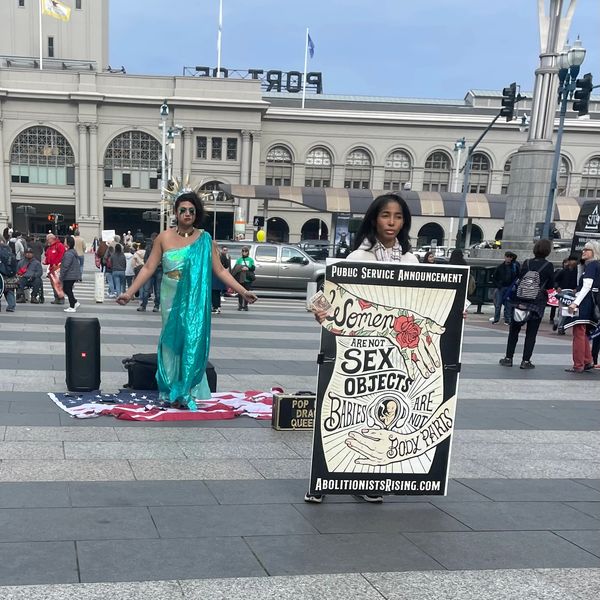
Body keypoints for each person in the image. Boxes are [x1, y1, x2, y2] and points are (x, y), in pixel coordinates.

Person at [305, 192, 418, 505]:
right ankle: (323, 477)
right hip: (355, 349)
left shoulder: (411, 261)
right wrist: (320, 311)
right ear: (374, 219)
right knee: (341, 409)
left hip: (392, 354)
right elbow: (328, 295)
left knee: (376, 415)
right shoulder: (358, 258)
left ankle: (365, 479)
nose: (392, 222)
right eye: (385, 215)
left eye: (398, 216)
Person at [116, 190, 257, 409]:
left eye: (191, 210)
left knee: (192, 340)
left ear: (196, 213)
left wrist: (242, 291)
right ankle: (170, 388)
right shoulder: (163, 238)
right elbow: (149, 268)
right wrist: (129, 292)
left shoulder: (205, 240)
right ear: (176, 212)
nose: (187, 214)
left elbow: (220, 270)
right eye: (183, 210)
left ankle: (187, 389)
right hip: (170, 295)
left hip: (194, 298)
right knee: (171, 343)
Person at [499, 239, 554, 370]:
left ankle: (508, 358)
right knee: (531, 333)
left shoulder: (527, 262)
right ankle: (525, 361)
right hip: (536, 303)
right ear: (548, 251)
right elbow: (550, 285)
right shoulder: (549, 265)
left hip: (520, 300)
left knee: (514, 331)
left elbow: (519, 278)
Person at [563, 241, 600, 373]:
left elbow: (586, 286)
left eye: (587, 249)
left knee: (579, 332)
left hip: (585, 302)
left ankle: (579, 363)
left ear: (594, 251)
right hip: (591, 302)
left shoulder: (591, 265)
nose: (583, 251)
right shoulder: (594, 265)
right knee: (583, 333)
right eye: (583, 249)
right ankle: (586, 360)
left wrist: (575, 303)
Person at [490, 251, 519, 324]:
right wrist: (498, 285)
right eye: (507, 257)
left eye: (510, 257)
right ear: (505, 257)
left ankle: (506, 319)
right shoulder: (501, 267)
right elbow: (494, 277)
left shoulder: (513, 267)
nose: (508, 258)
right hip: (502, 287)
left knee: (507, 305)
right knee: (499, 304)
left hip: (508, 287)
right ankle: (497, 319)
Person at [552, 254, 578, 334]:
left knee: (569, 311)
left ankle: (559, 323)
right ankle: (560, 327)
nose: (573, 262)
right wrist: (557, 287)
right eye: (571, 260)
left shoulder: (578, 272)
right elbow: (555, 280)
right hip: (563, 292)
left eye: (575, 260)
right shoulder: (563, 271)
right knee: (562, 310)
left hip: (573, 293)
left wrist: (577, 289)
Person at [138, 232, 162, 312]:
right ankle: (144, 305)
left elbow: (165, 259)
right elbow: (145, 259)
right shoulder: (149, 248)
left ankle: (156, 306)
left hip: (158, 270)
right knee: (147, 289)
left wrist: (158, 263)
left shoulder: (162, 248)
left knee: (157, 290)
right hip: (152, 270)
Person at [60, 236, 81, 313]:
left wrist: (61, 275)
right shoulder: (71, 252)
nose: (64, 242)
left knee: (67, 289)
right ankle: (74, 302)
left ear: (68, 244)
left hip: (69, 275)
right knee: (67, 289)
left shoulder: (68, 254)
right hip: (72, 274)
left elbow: (66, 265)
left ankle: (72, 306)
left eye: (65, 241)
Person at [44, 233, 66, 304]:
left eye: (48, 239)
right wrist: (46, 262)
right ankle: (56, 298)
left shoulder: (59, 246)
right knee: (54, 284)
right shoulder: (50, 247)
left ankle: (61, 298)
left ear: (51, 239)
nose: (47, 241)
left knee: (58, 284)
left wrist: (55, 263)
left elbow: (61, 256)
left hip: (57, 267)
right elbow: (48, 256)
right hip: (52, 268)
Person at [232, 247, 256, 311]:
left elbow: (253, 268)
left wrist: (248, 268)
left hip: (248, 278)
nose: (244, 252)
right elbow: (236, 268)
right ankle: (240, 305)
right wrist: (241, 268)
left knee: (247, 292)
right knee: (240, 292)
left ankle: (245, 305)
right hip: (240, 278)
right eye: (243, 251)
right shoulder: (239, 260)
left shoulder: (250, 260)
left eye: (246, 251)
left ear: (248, 252)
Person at [0, 239, 17, 312]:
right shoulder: (10, 252)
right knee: (10, 291)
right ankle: (11, 306)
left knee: (1, 289)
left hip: (1, 274)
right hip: (11, 274)